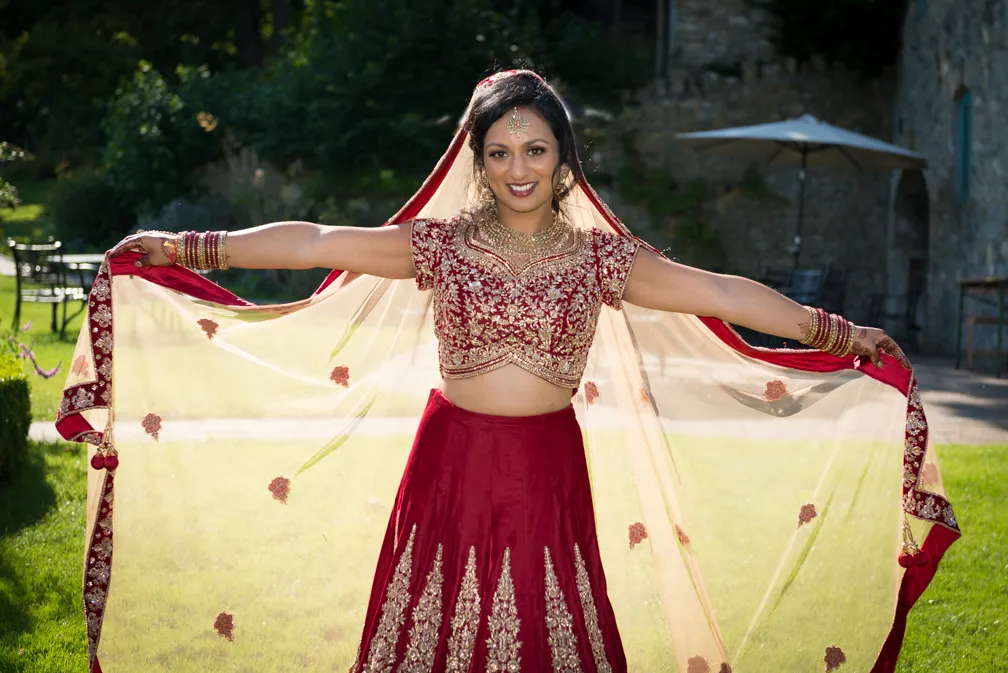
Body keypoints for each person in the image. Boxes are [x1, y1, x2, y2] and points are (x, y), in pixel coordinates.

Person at [63, 70, 959, 673]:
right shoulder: (440, 248)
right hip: (449, 461)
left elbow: (716, 290)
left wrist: (833, 332)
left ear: (563, 158)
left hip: (543, 471)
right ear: (478, 162)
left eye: (535, 150)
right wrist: (188, 244)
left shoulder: (602, 261)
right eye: (499, 153)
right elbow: (320, 239)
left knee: (547, 628)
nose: (518, 168)